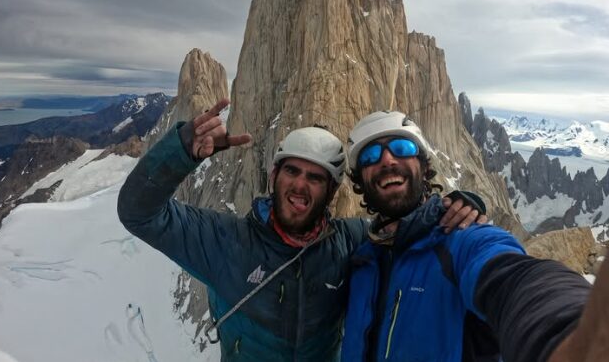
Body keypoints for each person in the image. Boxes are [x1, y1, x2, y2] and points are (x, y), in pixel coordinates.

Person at [117, 99, 486, 361]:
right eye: (292, 171)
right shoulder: (225, 241)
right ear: (274, 175)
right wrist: (182, 151)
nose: (300, 185)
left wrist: (454, 206)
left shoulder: (351, 242)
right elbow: (138, 213)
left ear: (331, 192)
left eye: (315, 178)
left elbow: (402, 228)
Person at [340, 111, 603, 362]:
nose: (387, 160)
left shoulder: (461, 241)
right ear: (360, 179)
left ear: (423, 164)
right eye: (370, 155)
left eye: (402, 148)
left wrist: (571, 334)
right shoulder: (362, 260)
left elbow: (513, 277)